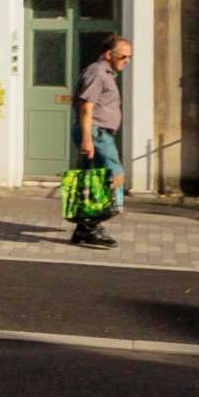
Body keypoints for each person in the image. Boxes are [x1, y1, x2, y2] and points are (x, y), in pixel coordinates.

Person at [70, 33, 130, 249]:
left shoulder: (105, 74)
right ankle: (90, 227)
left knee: (89, 180)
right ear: (108, 54)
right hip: (96, 133)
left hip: (97, 133)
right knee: (116, 176)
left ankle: (82, 228)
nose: (127, 61)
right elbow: (87, 108)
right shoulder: (97, 73)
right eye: (123, 57)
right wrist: (87, 139)